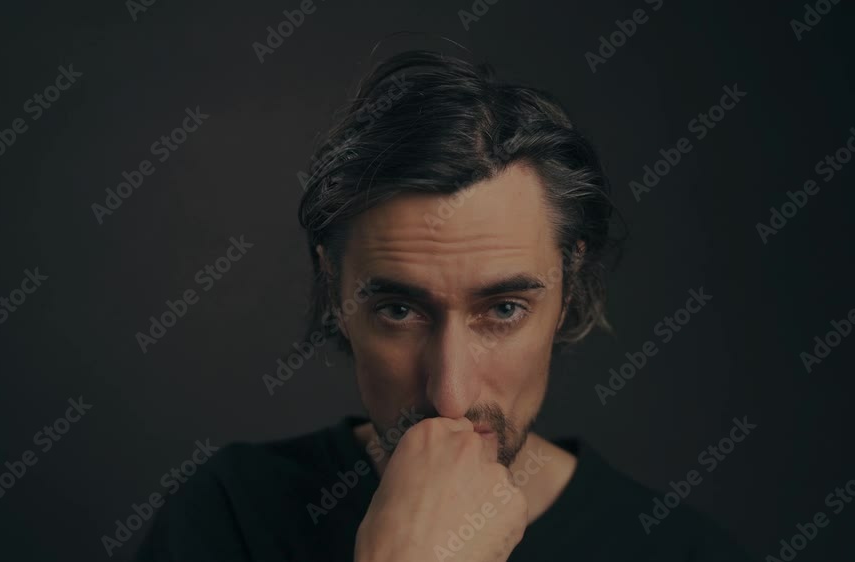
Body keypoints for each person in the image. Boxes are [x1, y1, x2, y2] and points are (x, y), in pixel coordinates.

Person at [136, 50, 754, 561]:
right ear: (334, 290)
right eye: (398, 311)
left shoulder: (683, 552)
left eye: (504, 309)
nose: (451, 399)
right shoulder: (229, 517)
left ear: (569, 290)